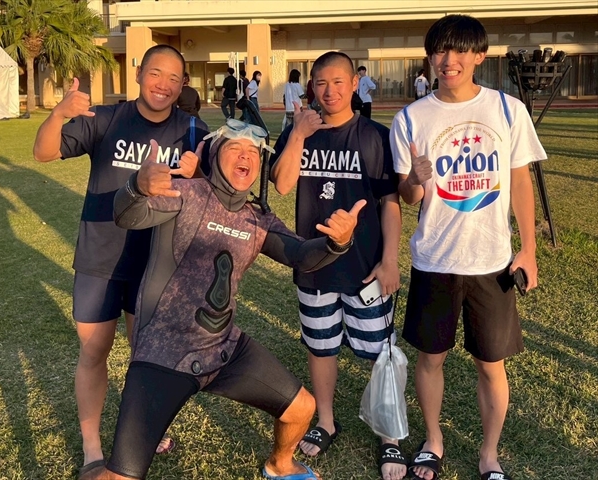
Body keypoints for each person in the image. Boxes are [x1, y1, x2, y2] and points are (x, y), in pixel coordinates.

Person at [79, 119, 366, 480]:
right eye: (235, 148)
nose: (246, 156)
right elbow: (127, 215)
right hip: (163, 354)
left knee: (301, 409)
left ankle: (281, 465)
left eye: (254, 152)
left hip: (223, 348)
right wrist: (136, 186)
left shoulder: (258, 219)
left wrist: (337, 243)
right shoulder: (186, 193)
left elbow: (301, 255)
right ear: (215, 156)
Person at [32, 44, 210, 477]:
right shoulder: (107, 119)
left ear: (182, 86)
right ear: (139, 74)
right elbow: (44, 153)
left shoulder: (192, 130)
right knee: (95, 351)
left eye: (174, 78)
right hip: (101, 257)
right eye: (156, 73)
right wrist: (57, 115)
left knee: (145, 354)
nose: (163, 85)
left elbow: (213, 191)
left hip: (156, 264)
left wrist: (198, 174)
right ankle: (92, 448)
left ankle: (142, 429)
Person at [390, 14, 546, 480]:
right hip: (434, 259)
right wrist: (415, 181)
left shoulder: (507, 110)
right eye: (440, 50)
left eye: (460, 50)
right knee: (430, 359)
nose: (449, 60)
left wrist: (528, 249)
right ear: (430, 57)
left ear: (480, 55)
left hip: (491, 262)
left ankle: (489, 455)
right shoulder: (410, 118)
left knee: (491, 365)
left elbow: (520, 181)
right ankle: (433, 441)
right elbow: (407, 195)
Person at [270, 51, 406, 480]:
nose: (329, 91)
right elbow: (282, 183)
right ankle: (326, 421)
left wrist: (390, 260)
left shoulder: (375, 136)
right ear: (311, 86)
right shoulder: (299, 132)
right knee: (320, 347)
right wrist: (297, 134)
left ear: (354, 84)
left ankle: (389, 435)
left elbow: (391, 203)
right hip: (314, 264)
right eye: (320, 83)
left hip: (366, 267)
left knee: (380, 354)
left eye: (338, 82)